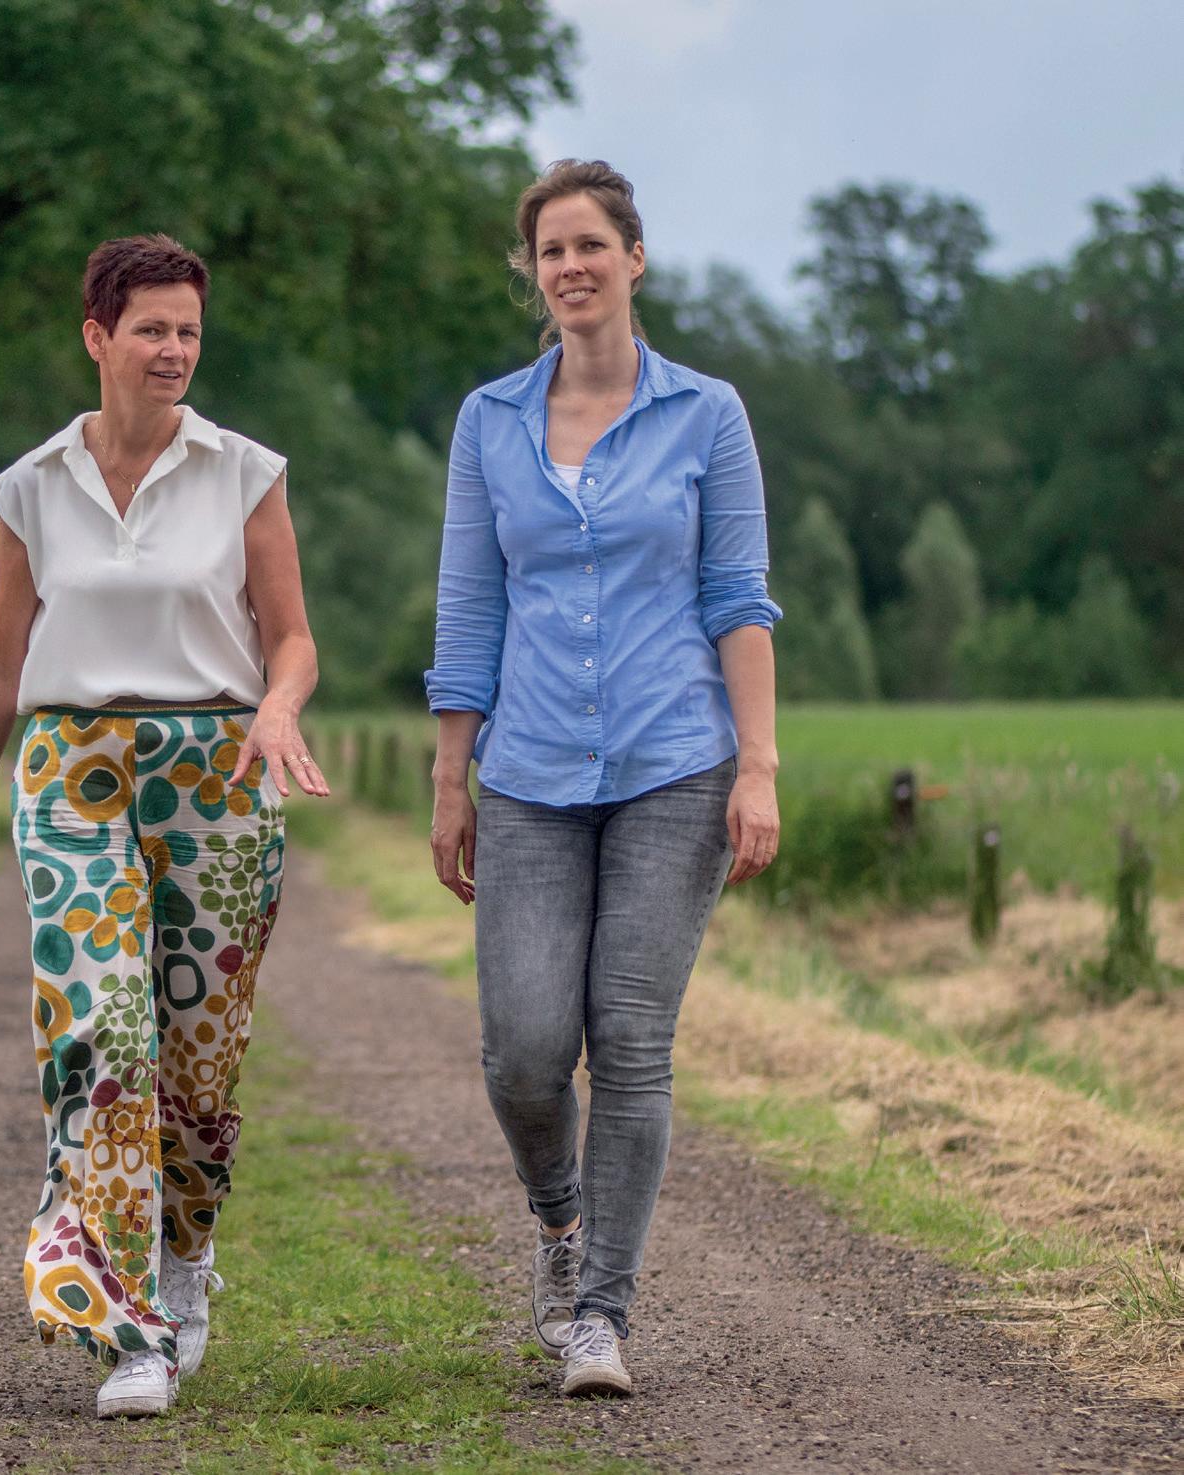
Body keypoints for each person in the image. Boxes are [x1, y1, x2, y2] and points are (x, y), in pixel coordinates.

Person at [0, 233, 328, 1419]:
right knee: (101, 1037)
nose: (173, 349)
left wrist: (276, 706)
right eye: (151, 327)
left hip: (218, 770)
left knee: (199, 1065)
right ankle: (129, 1326)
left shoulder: (243, 472)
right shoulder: (31, 487)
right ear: (96, 336)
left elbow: (290, 634)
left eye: (188, 330)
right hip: (72, 773)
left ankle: (186, 1249)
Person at [425, 160, 782, 1399]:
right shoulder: (489, 420)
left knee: (628, 1039)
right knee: (524, 1050)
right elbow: (468, 607)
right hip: (526, 771)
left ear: (633, 257)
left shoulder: (706, 414)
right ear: (531, 272)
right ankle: (558, 1218)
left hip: (672, 763)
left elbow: (737, 597)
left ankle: (599, 1313)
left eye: (590, 244)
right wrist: (450, 778)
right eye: (549, 250)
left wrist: (756, 766)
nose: (570, 266)